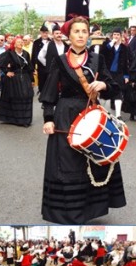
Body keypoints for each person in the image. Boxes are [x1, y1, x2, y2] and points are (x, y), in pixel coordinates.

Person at [39, 16, 127, 224]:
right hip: (65, 115)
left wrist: (103, 86)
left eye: (84, 31)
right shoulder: (60, 61)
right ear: (69, 36)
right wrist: (48, 119)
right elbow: (50, 92)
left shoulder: (98, 60)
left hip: (92, 116)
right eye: (76, 32)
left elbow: (113, 87)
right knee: (67, 163)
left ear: (89, 35)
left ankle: (89, 211)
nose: (80, 35)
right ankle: (68, 212)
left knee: (93, 159)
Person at [0, 36, 34, 127]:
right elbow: (0, 62)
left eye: (22, 42)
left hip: (25, 77)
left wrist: (32, 80)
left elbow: (29, 68)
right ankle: (17, 119)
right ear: (14, 44)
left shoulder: (26, 54)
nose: (21, 43)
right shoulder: (10, 53)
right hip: (14, 78)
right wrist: (6, 72)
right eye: (18, 42)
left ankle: (26, 119)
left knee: (27, 96)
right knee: (16, 97)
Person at [99, 27, 130, 120]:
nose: (116, 36)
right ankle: (102, 112)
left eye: (118, 35)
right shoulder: (106, 45)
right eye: (114, 35)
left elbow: (126, 63)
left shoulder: (124, 48)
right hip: (107, 73)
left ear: (121, 36)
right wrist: (112, 43)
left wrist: (126, 75)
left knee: (118, 93)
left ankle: (118, 115)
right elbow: (102, 53)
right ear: (112, 36)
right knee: (105, 93)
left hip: (119, 73)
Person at [31, 22, 51, 94]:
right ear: (41, 33)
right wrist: (33, 67)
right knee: (41, 80)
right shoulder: (36, 42)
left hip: (50, 65)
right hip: (40, 66)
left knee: (50, 81)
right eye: (43, 33)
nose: (45, 34)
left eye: (46, 33)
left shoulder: (51, 42)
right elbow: (34, 55)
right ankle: (42, 93)